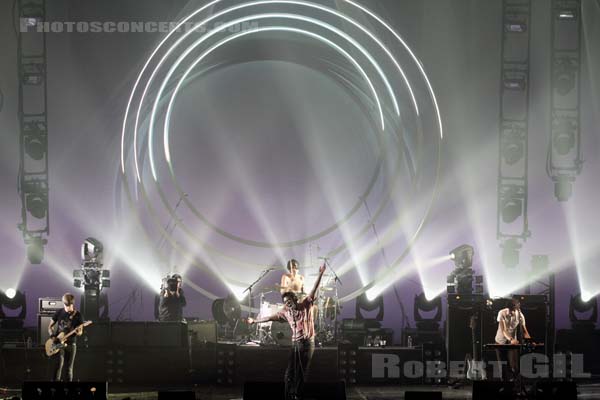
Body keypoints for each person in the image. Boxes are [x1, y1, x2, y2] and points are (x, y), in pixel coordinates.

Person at [249, 264, 326, 400]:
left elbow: (314, 289)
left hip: (308, 343)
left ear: (295, 300)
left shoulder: (306, 305)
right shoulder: (285, 311)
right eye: (285, 303)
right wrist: (255, 321)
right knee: (289, 373)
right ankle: (288, 396)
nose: (287, 305)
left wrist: (320, 274)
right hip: (296, 344)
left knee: (301, 373)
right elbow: (270, 317)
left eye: (289, 302)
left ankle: (297, 396)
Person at [48, 293, 85, 382]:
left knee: (69, 368)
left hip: (71, 344)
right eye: (67, 306)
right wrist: (52, 336)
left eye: (70, 306)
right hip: (58, 343)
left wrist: (78, 332)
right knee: (59, 364)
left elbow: (81, 332)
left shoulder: (78, 315)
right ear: (63, 304)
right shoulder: (59, 312)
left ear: (73, 304)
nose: (68, 308)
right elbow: (50, 327)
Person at [494, 298, 531, 380]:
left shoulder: (520, 315)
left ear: (517, 309)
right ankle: (504, 384)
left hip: (512, 342)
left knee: (514, 365)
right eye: (511, 310)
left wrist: (530, 341)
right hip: (500, 341)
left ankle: (515, 384)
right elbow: (504, 330)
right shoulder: (502, 313)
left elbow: (525, 331)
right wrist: (511, 339)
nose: (512, 312)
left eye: (514, 310)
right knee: (503, 365)